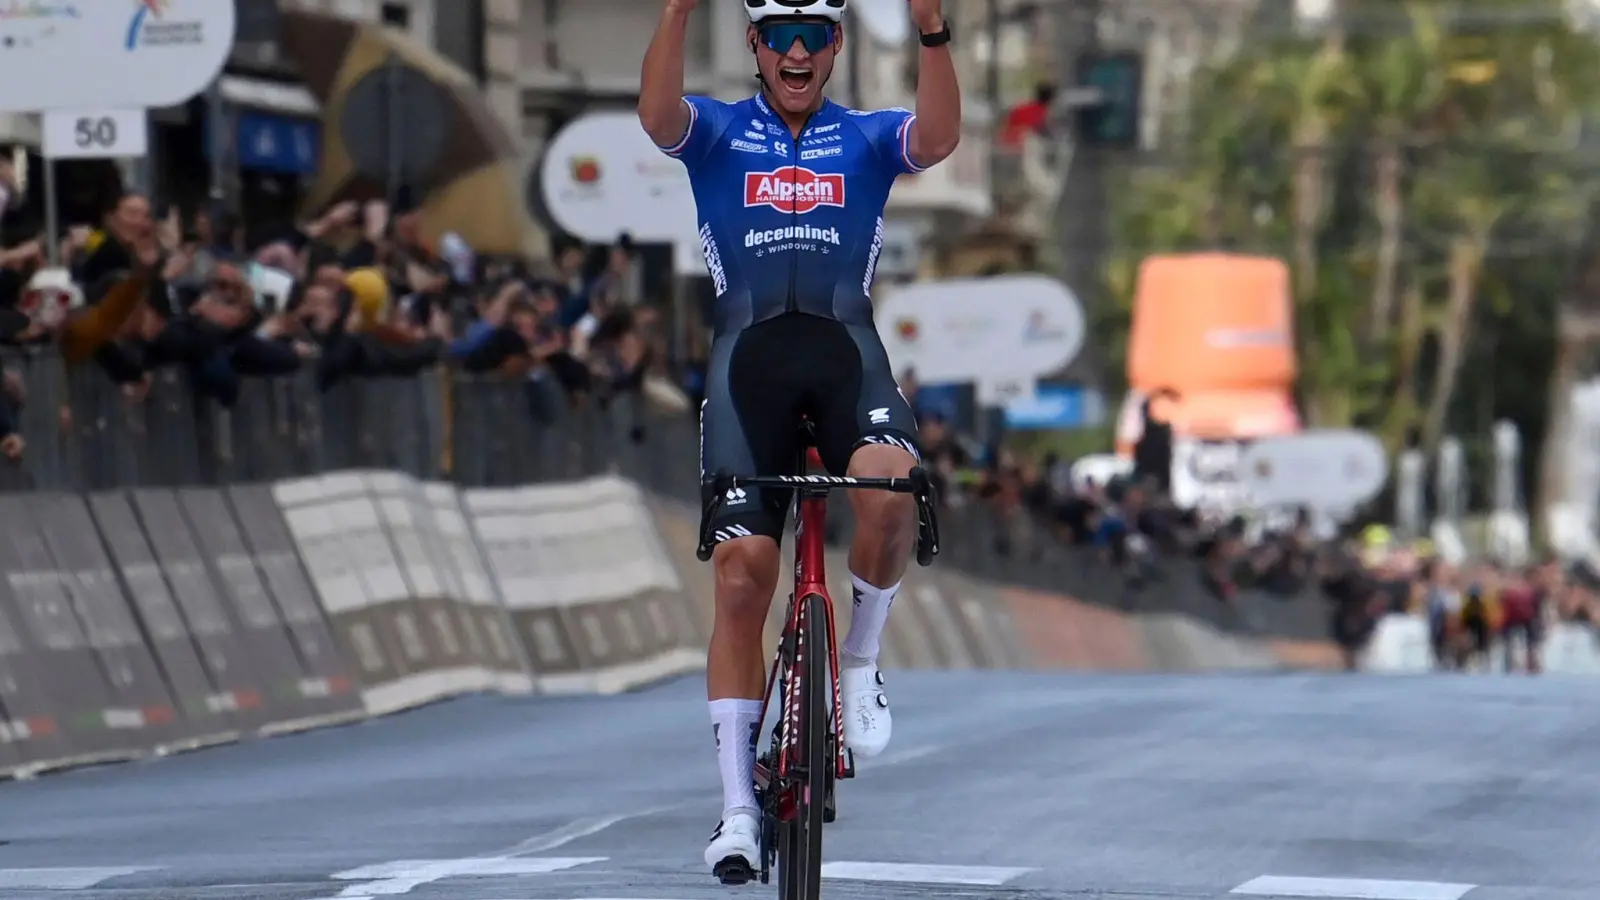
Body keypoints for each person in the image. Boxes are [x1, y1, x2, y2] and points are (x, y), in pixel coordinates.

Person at [638, 0, 960, 882]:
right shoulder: (716, 131)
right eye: (777, 35)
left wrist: (933, 32)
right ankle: (738, 808)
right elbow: (658, 118)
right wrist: (674, 14)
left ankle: (858, 661)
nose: (794, 52)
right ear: (752, 45)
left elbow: (936, 140)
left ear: (834, 48)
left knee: (894, 485)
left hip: (845, 353)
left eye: (811, 36)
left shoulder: (861, 136)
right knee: (742, 574)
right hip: (749, 367)